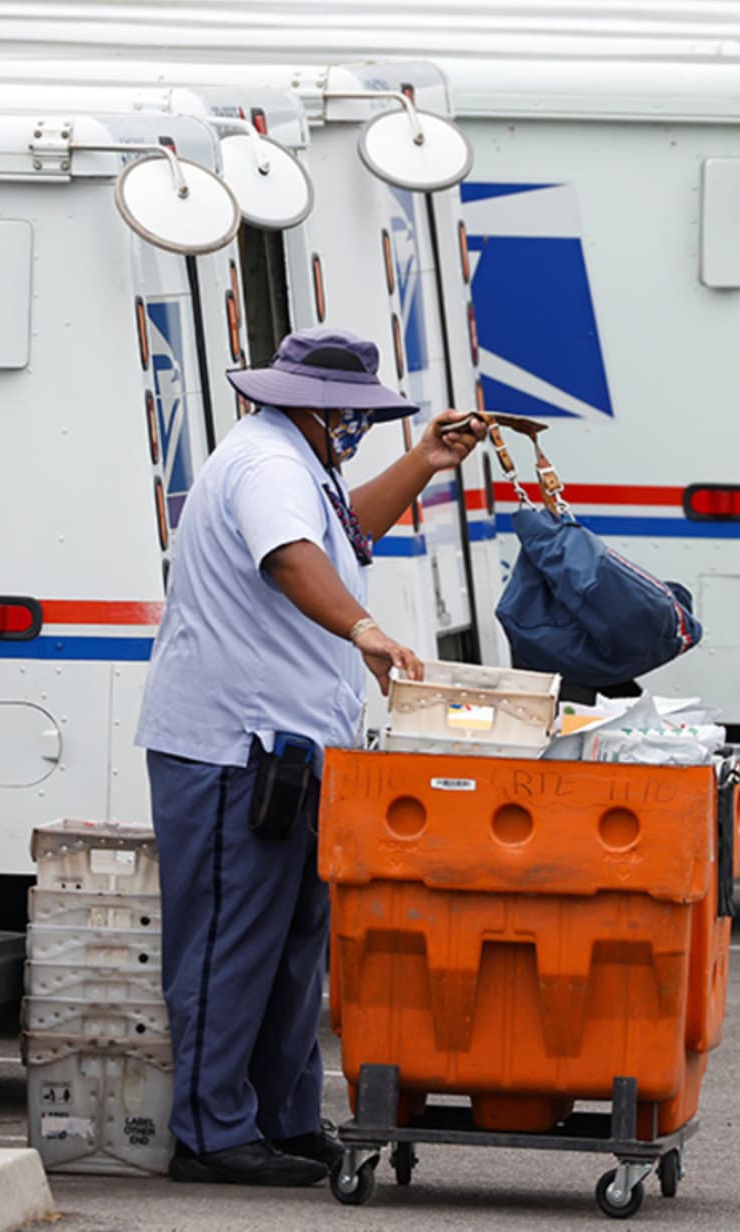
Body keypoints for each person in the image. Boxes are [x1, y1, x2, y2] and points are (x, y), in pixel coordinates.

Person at [134, 327, 485, 1186]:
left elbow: (340, 533)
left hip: (282, 747)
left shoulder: (296, 463)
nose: (355, 429)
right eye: (351, 415)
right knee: (230, 942)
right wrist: (363, 629)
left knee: (290, 946)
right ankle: (214, 1133)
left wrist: (422, 462)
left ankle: (281, 1120)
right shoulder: (267, 466)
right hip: (233, 748)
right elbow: (291, 559)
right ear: (319, 408)